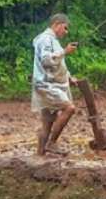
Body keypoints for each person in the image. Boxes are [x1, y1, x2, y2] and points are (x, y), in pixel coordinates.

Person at [32, 13, 78, 156]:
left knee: (48, 122)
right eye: (65, 28)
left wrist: (69, 77)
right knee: (69, 108)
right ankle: (52, 143)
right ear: (57, 24)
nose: (66, 32)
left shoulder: (53, 40)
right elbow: (46, 61)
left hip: (46, 84)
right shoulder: (46, 40)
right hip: (47, 85)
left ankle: (40, 155)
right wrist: (65, 51)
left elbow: (58, 65)